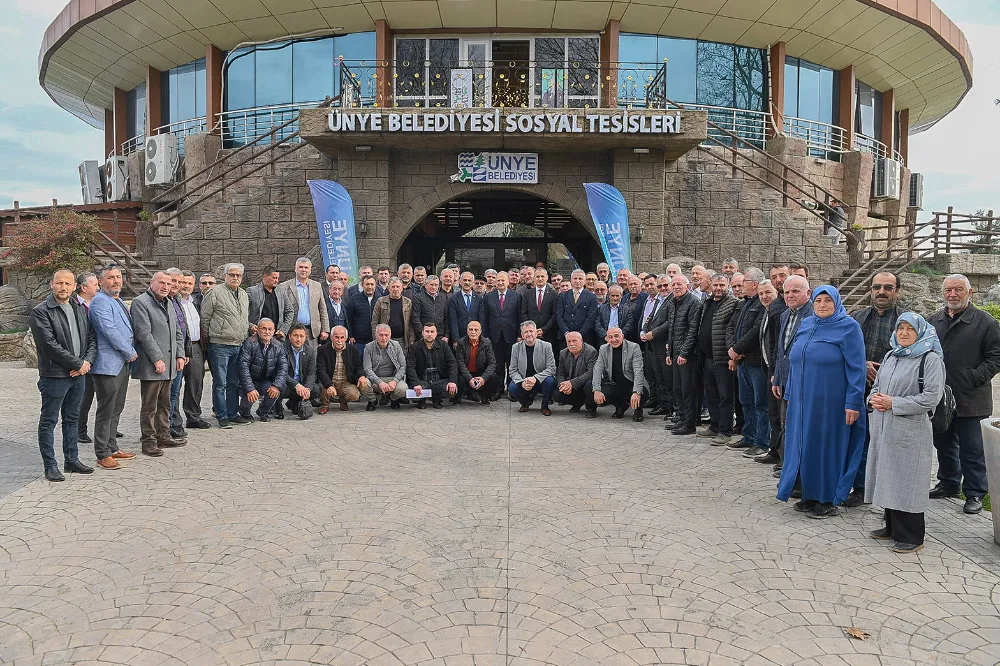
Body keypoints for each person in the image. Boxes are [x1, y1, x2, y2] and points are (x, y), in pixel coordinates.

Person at [777, 286, 866, 519]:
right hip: (802, 401)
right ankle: (810, 494)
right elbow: (796, 360)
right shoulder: (807, 324)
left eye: (828, 300)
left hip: (832, 402)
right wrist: (790, 394)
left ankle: (827, 499)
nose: (822, 305)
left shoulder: (849, 327)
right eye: (818, 300)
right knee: (806, 446)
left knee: (828, 448)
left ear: (837, 302)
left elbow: (857, 368)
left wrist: (854, 402)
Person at [866, 313, 946, 554]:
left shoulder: (930, 359)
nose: (904, 333)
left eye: (910, 329)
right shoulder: (891, 355)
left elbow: (931, 397)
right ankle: (892, 527)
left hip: (911, 429)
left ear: (921, 332)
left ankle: (912, 536)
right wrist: (874, 399)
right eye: (900, 328)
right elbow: (877, 386)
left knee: (908, 480)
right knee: (889, 475)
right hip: (885, 427)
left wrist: (894, 403)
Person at [927, 274, 1000, 514]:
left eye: (958, 289)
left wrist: (974, 377)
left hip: (972, 398)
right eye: (948, 290)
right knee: (943, 444)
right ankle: (948, 484)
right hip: (940, 397)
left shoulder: (986, 323)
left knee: (972, 449)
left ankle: (975, 493)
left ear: (969, 293)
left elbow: (996, 357)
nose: (952, 294)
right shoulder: (933, 321)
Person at [29, 269, 97, 481]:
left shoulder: (79, 308)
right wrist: (78, 363)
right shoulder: (41, 312)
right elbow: (49, 345)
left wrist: (86, 363)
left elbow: (92, 338)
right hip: (54, 376)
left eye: (68, 283)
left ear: (74, 286)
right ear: (52, 284)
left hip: (79, 375)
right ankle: (50, 466)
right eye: (59, 283)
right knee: (49, 421)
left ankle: (72, 460)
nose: (63, 287)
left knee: (72, 419)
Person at [845, 272, 905, 507]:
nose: (881, 292)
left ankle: (891, 492)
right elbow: (844, 350)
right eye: (877, 287)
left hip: (892, 393)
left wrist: (885, 370)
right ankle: (861, 488)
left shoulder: (906, 322)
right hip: (858, 389)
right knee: (861, 441)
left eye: (888, 287)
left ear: (897, 291)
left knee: (889, 443)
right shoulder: (856, 318)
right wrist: (863, 364)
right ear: (870, 290)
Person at [131, 271, 187, 456]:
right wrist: (157, 358)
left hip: (170, 364)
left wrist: (180, 355)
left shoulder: (169, 302)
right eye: (162, 283)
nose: (165, 287)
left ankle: (163, 435)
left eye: (169, 284)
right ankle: (148, 441)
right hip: (152, 364)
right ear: (151, 282)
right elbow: (143, 334)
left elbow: (177, 331)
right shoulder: (141, 303)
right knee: (150, 406)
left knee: (165, 403)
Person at [87, 265, 137, 469]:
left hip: (121, 364)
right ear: (101, 282)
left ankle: (112, 446)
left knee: (117, 407)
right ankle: (102, 453)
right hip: (107, 365)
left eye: (118, 277)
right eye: (110, 277)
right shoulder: (100, 301)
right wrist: (129, 351)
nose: (116, 281)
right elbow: (109, 330)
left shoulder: (117, 300)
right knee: (106, 409)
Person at [770, 275, 813, 475]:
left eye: (795, 291)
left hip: (804, 381)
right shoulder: (785, 315)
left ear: (808, 293)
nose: (790, 295)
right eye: (787, 292)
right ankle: (788, 465)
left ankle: (798, 469)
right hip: (785, 380)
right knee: (786, 424)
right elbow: (782, 350)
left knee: (799, 427)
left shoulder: (814, 315)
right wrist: (777, 378)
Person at [201, 262, 251, 429]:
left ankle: (232, 413)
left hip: (238, 344)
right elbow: (205, 318)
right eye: (232, 275)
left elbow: (242, 318)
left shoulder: (243, 294)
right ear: (225, 276)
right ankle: (222, 415)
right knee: (220, 383)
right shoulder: (214, 292)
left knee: (233, 382)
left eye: (238, 275)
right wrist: (211, 338)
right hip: (220, 345)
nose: (235, 278)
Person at [726, 267, 769, 455]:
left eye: (744, 281)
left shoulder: (761, 304)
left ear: (754, 283)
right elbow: (731, 326)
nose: (741, 285)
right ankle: (748, 436)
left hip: (755, 362)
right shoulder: (743, 303)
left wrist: (738, 349)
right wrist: (732, 349)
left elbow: (756, 331)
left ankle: (761, 442)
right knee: (746, 401)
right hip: (741, 361)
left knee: (760, 404)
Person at [697, 274, 739, 446]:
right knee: (712, 395)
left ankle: (725, 431)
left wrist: (732, 356)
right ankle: (714, 426)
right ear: (711, 285)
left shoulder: (733, 303)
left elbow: (733, 330)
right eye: (716, 285)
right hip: (708, 358)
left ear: (727, 285)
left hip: (723, 358)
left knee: (725, 397)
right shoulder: (708, 302)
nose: (718, 288)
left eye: (722, 285)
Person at [665, 274, 703, 435]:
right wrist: (670, 352)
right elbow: (672, 329)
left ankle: (689, 423)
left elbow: (693, 330)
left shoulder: (694, 302)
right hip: (676, 354)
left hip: (687, 355)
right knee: (678, 389)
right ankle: (681, 418)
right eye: (673, 284)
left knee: (688, 390)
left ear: (687, 286)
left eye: (679, 284)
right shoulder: (673, 302)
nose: (676, 287)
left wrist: (684, 353)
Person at [753, 280, 784, 466]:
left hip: (777, 371)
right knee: (773, 413)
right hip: (768, 369)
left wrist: (775, 371)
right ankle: (774, 449)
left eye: (768, 293)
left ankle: (781, 454)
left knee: (780, 415)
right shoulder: (768, 310)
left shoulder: (779, 311)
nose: (764, 297)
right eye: (761, 293)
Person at [588, 326, 645, 421]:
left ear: (622, 336)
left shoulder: (634, 347)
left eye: (616, 336)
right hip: (615, 384)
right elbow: (597, 369)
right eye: (610, 337)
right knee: (590, 387)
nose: (614, 340)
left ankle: (638, 409)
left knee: (643, 392)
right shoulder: (603, 348)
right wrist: (596, 390)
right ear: (606, 339)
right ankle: (621, 405)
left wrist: (637, 392)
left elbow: (638, 370)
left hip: (631, 383)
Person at [177, 271, 210, 430]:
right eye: (183, 282)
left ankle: (193, 417)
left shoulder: (196, 301)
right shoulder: (173, 302)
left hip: (196, 347)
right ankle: (173, 420)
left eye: (189, 283)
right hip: (179, 347)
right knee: (175, 385)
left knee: (195, 383)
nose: (186, 286)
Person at [237, 318, 287, 423]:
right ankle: (244, 413)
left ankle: (262, 412)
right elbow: (243, 367)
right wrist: (250, 389)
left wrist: (276, 385)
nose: (267, 332)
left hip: (265, 381)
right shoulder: (249, 343)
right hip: (248, 381)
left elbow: (283, 368)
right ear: (258, 330)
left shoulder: (278, 346)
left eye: (270, 329)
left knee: (274, 391)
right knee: (250, 396)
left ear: (274, 331)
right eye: (264, 329)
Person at [317, 325, 371, 413]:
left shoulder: (353, 349)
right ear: (331, 337)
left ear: (346, 338)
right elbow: (321, 370)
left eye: (342, 337)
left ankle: (343, 401)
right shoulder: (322, 349)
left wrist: (361, 376)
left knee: (355, 395)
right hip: (330, 379)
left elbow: (358, 366)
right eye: (336, 337)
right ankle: (325, 405)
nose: (339, 340)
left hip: (345, 382)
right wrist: (329, 385)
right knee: (322, 386)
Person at [483, 271, 522, 394]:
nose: (500, 282)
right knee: (497, 364)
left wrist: (519, 335)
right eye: (498, 280)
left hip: (511, 336)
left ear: (508, 282)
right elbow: (485, 318)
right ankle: (498, 390)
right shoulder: (488, 297)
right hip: (494, 336)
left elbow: (519, 317)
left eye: (503, 280)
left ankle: (511, 390)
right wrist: (486, 336)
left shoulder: (516, 296)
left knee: (512, 363)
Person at [164, 268, 191, 441]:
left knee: (174, 393)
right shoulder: (163, 300)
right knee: (166, 395)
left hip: (179, 354)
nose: (177, 284)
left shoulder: (178, 299)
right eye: (173, 280)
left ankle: (171, 425)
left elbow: (183, 328)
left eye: (179, 282)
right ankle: (164, 428)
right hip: (167, 355)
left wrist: (184, 352)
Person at [406, 322, 458, 408]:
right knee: (414, 394)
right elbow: (410, 367)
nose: (429, 334)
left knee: (452, 390)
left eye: (432, 331)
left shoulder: (443, 345)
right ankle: (422, 400)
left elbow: (452, 363)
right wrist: (416, 383)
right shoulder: (414, 347)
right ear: (422, 333)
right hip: (422, 381)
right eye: (427, 331)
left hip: (438, 381)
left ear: (436, 333)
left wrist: (452, 381)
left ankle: (436, 398)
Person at [509, 320, 556, 415]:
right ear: (522, 335)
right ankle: (525, 403)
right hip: (524, 381)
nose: (529, 334)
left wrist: (535, 378)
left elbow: (551, 368)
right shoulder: (516, 347)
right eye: (526, 332)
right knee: (512, 387)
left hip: (541, 380)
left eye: (531, 331)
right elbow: (513, 370)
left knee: (550, 381)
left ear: (536, 333)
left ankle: (545, 406)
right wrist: (521, 382)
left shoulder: (546, 346)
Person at [73, 272, 99, 444]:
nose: (98, 287)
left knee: (104, 394)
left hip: (98, 355)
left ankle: (107, 427)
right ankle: (79, 430)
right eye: (94, 284)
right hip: (83, 358)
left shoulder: (98, 302)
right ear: (83, 287)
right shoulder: (74, 305)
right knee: (85, 395)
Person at [640, 275, 671, 416]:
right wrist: (644, 330)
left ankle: (669, 406)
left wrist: (653, 333)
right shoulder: (658, 300)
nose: (663, 288)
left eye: (665, 285)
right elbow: (649, 318)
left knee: (666, 378)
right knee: (658, 377)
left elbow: (669, 322)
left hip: (663, 343)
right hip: (653, 345)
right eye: (660, 286)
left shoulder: (672, 300)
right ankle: (663, 404)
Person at [280, 257, 329, 345]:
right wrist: (282, 329)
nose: (303, 270)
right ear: (295, 269)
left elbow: (322, 309)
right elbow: (281, 310)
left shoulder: (317, 286)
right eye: (301, 267)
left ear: (310, 270)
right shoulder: (284, 286)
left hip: (312, 332)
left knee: (312, 354)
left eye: (306, 267)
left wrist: (325, 329)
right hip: (292, 331)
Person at [362, 324, 409, 410]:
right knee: (363, 384)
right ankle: (372, 400)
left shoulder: (396, 345)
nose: (383, 338)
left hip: (392, 378)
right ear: (376, 335)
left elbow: (403, 366)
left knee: (403, 388)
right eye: (381, 335)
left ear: (390, 335)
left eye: (386, 335)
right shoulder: (368, 347)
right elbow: (367, 369)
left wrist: (394, 381)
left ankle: (393, 399)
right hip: (375, 379)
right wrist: (380, 382)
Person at [454, 320, 500, 405]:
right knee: (459, 379)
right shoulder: (461, 343)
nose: (473, 332)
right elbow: (460, 364)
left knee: (494, 378)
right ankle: (459, 396)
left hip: (480, 373)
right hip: (466, 374)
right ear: (467, 331)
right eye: (470, 329)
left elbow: (492, 363)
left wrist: (483, 378)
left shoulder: (487, 343)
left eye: (476, 330)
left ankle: (484, 396)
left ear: (480, 331)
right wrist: (470, 379)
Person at [278, 323, 317, 419]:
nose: (299, 339)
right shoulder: (281, 349)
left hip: (301, 383)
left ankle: (294, 402)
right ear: (289, 336)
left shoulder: (310, 351)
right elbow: (282, 372)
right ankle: (276, 406)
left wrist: (307, 389)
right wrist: (296, 385)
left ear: (305, 337)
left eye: (301, 336)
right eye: (295, 335)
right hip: (286, 383)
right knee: (279, 388)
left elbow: (311, 373)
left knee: (316, 389)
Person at [554, 331, 598, 411]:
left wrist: (572, 383)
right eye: (569, 341)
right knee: (556, 395)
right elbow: (560, 373)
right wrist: (563, 386)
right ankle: (577, 404)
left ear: (581, 341)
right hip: (571, 384)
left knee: (589, 385)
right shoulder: (563, 353)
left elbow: (591, 373)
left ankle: (591, 408)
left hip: (584, 383)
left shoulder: (591, 352)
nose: (571, 344)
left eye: (574, 341)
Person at [557, 269, 599, 348]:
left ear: (584, 281)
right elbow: (559, 316)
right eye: (575, 278)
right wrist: (566, 333)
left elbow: (591, 318)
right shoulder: (563, 296)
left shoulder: (591, 297)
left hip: (584, 337)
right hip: (565, 336)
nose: (577, 281)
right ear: (571, 280)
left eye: (580, 278)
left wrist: (579, 334)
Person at [372, 277, 418, 347]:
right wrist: (376, 338)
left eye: (398, 286)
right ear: (389, 288)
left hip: (402, 340)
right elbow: (375, 321)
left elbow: (411, 322)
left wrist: (411, 339)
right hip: (385, 339)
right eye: (393, 287)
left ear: (402, 288)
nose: (395, 289)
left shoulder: (408, 302)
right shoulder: (381, 301)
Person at [520, 267, 558, 344]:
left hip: (548, 334)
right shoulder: (527, 294)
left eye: (542, 276)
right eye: (537, 276)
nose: (540, 279)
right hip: (530, 334)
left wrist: (544, 329)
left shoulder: (553, 294)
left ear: (547, 278)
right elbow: (524, 313)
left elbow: (555, 314)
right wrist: (531, 329)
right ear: (534, 278)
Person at [448, 271, 485, 344]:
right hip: (460, 337)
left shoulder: (479, 299)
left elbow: (481, 319)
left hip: (475, 336)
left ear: (473, 282)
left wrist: (480, 337)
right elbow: (453, 321)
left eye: (469, 280)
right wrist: (455, 339)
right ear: (460, 281)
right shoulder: (454, 299)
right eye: (464, 280)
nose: (467, 282)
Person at [413, 276, 450, 344]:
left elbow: (447, 317)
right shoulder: (418, 298)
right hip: (424, 336)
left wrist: (446, 335)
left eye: (436, 285)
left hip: (440, 336)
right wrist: (421, 334)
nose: (434, 287)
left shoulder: (444, 298)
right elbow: (415, 318)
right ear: (425, 285)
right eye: (431, 284)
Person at [347, 274, 379, 353]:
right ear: (362, 285)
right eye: (367, 284)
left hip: (376, 340)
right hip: (358, 341)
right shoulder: (354, 299)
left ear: (375, 285)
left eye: (372, 284)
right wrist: (351, 336)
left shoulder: (380, 299)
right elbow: (349, 319)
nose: (370, 287)